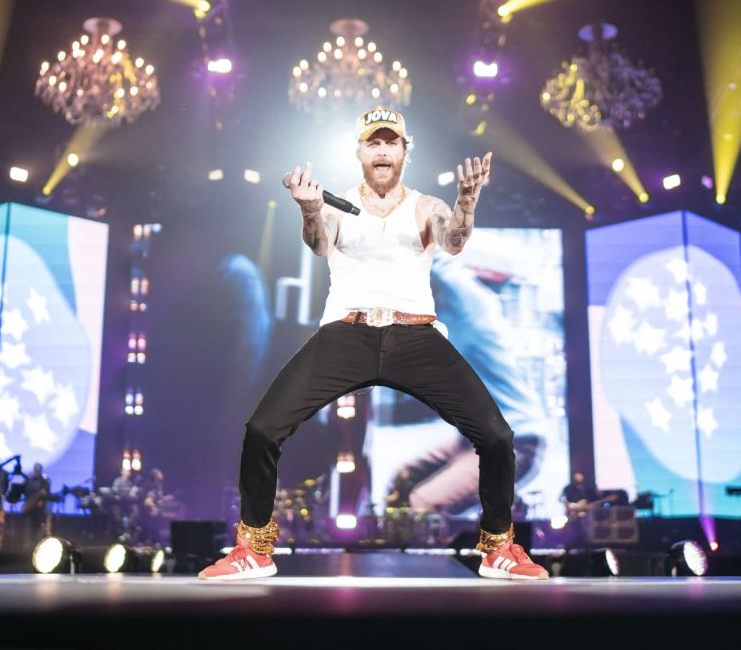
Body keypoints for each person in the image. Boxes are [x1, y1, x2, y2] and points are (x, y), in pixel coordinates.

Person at [199, 106, 548, 581]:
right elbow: (319, 244)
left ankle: (499, 549)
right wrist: (308, 209)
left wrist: (466, 203)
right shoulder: (338, 204)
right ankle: (253, 550)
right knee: (262, 429)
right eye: (373, 143)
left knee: (497, 437)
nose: (382, 150)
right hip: (347, 333)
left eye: (391, 142)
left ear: (405, 151)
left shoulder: (425, 206)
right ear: (360, 152)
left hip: (415, 335)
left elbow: (453, 242)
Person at [21, 463, 51, 549]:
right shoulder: (28, 480)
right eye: (36, 470)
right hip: (29, 509)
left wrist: (42, 500)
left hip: (40, 510)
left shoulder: (45, 481)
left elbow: (47, 494)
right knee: (28, 528)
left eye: (38, 470)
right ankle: (26, 547)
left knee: (39, 529)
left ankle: (37, 547)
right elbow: (25, 491)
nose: (37, 471)